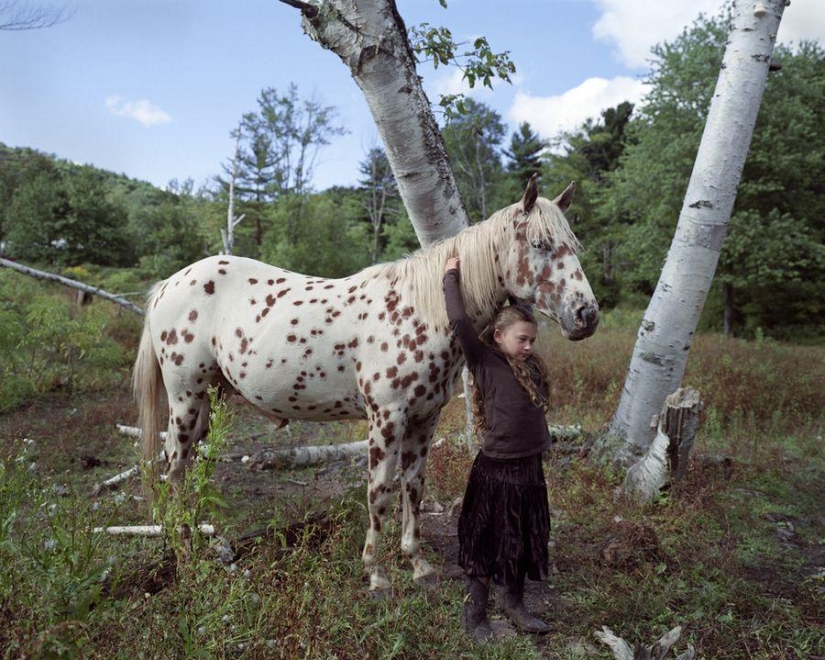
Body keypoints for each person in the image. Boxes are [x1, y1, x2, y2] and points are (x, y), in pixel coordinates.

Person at [443, 256, 552, 642]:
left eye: (531, 340)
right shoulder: (484, 360)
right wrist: (450, 275)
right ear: (498, 337)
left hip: (528, 470)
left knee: (521, 538)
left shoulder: (534, 368)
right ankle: (475, 612)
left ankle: (514, 603)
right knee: (488, 540)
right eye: (521, 339)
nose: (527, 346)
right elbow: (458, 322)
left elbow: (533, 416)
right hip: (496, 470)